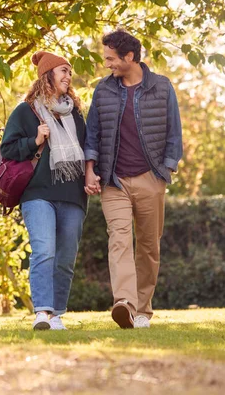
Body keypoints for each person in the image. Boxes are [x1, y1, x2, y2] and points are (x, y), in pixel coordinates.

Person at [84, 28, 183, 329]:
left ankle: (142, 309)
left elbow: (174, 134)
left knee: (149, 247)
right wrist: (90, 169)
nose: (108, 64)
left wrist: (164, 171)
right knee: (120, 240)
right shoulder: (103, 90)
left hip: (150, 178)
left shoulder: (162, 87)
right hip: (114, 180)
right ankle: (124, 303)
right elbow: (92, 133)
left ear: (129, 56)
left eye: (112, 58)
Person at [1, 51, 87, 330]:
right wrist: (34, 140)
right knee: (44, 251)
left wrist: (91, 174)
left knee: (65, 258)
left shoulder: (74, 111)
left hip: (73, 195)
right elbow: (8, 150)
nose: (68, 76)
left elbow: (87, 149)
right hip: (38, 194)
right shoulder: (25, 111)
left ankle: (57, 314)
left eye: (69, 72)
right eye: (63, 70)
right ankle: (41, 312)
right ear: (47, 75)